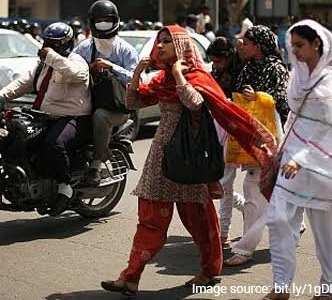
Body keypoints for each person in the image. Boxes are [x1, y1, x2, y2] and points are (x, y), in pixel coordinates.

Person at [100, 25, 277, 296]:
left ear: (181, 48)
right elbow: (133, 102)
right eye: (159, 42)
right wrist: (137, 73)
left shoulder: (197, 76)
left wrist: (180, 74)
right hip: (161, 156)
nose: (159, 47)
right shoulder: (161, 79)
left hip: (191, 158)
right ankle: (130, 276)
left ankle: (209, 270)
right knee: (149, 218)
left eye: (167, 42)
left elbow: (194, 102)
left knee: (200, 220)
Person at [262, 20, 332, 300]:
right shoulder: (296, 76)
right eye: (292, 44)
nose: (293, 50)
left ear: (316, 44)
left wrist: (302, 158)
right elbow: (295, 118)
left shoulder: (331, 82)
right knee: (278, 219)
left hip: (321, 166)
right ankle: (282, 285)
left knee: (328, 234)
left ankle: (330, 289)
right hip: (290, 163)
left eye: (300, 45)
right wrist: (282, 149)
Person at [0, 22, 92, 216]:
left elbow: (75, 74)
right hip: (43, 116)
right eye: (46, 43)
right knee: (14, 134)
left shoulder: (76, 61)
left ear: (65, 44)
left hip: (73, 118)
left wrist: (52, 56)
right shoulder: (44, 65)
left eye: (53, 44)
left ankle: (65, 187)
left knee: (53, 143)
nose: (46, 47)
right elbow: (22, 83)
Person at [222, 25, 290, 266]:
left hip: (269, 136)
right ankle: (290, 230)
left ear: (258, 46)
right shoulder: (248, 66)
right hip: (248, 134)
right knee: (268, 192)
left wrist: (258, 97)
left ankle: (245, 248)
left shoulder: (277, 68)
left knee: (255, 189)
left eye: (247, 42)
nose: (242, 45)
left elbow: (283, 101)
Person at [73, 0, 139, 186]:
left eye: (106, 21)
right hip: (86, 102)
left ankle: (95, 166)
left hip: (116, 107)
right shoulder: (84, 47)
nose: (102, 25)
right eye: (98, 21)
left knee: (101, 116)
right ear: (92, 22)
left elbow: (136, 80)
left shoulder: (125, 50)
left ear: (115, 21)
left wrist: (112, 67)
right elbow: (71, 67)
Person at [206, 37, 245, 247]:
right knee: (223, 185)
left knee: (225, 183)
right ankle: (247, 209)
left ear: (229, 57)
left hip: (234, 131)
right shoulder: (215, 74)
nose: (216, 65)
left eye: (219, 61)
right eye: (213, 61)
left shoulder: (242, 73)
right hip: (216, 132)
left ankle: (223, 233)